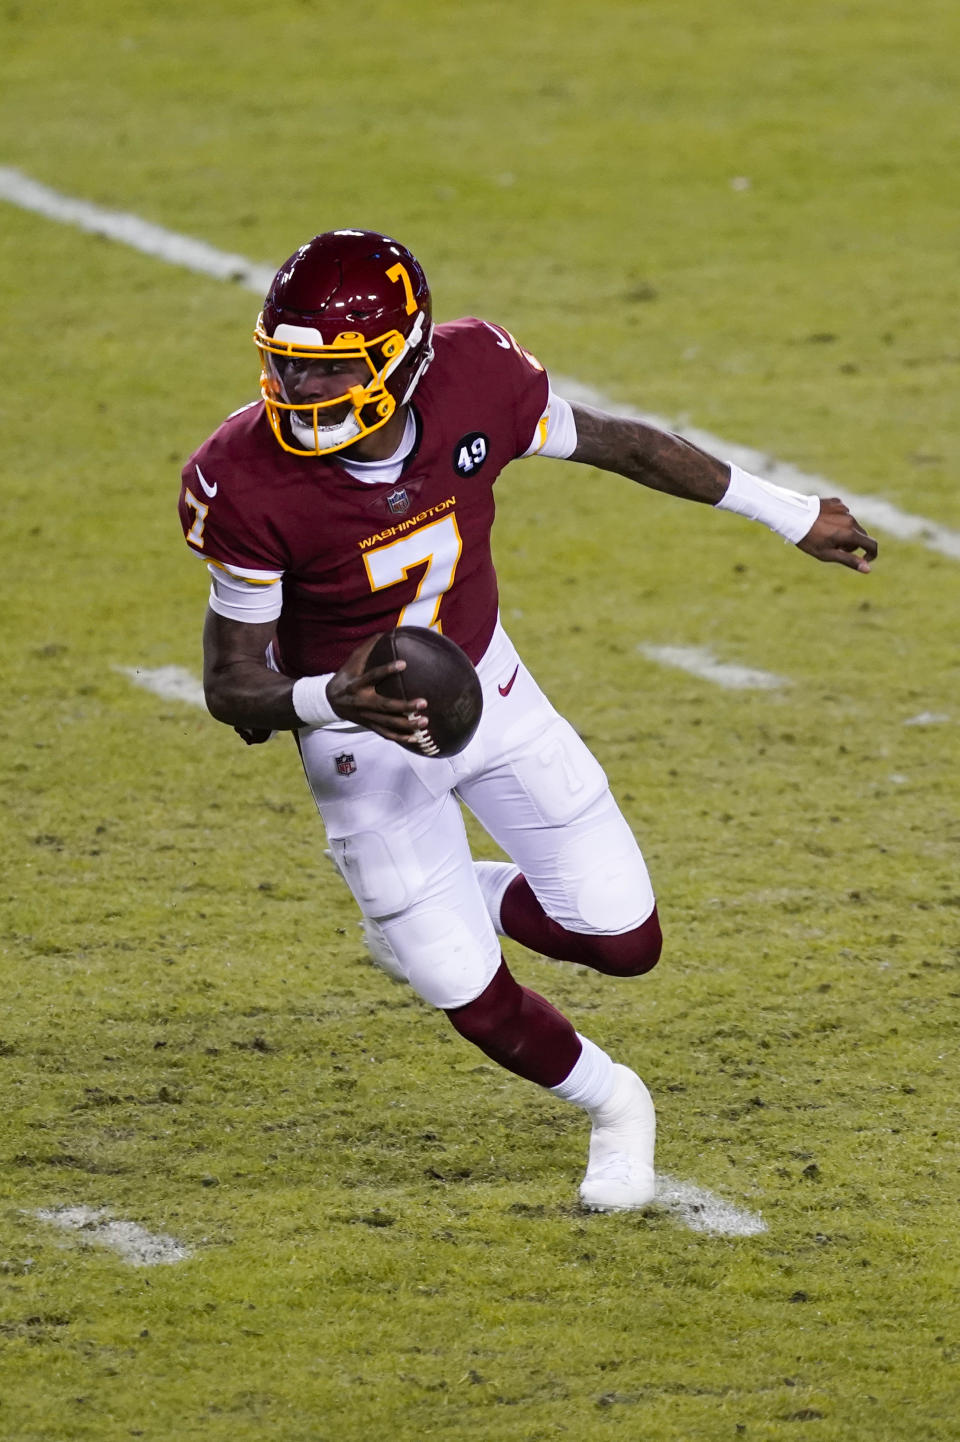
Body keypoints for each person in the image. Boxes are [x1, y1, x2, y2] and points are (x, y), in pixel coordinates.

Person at [178, 228, 877, 1212]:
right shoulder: (241, 476)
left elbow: (622, 441)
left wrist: (790, 511)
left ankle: (451, 894)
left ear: (405, 361)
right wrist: (329, 697)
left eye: (320, 368)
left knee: (626, 937)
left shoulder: (476, 375)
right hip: (354, 737)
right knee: (462, 981)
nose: (291, 390)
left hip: (489, 685)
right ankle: (614, 1101)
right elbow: (229, 681)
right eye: (281, 363)